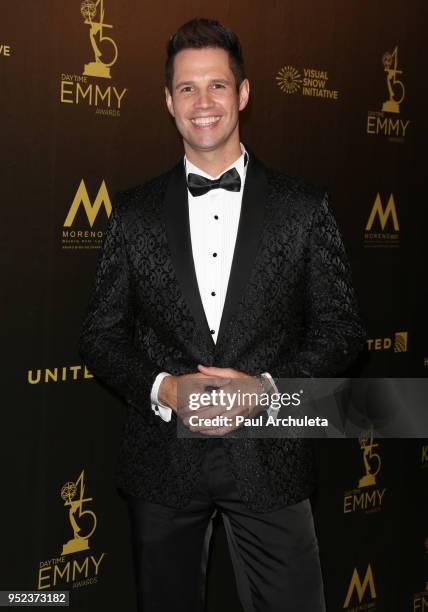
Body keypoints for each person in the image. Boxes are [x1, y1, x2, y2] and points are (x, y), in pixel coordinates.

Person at [79, 17, 365, 612]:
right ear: (167, 101)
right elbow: (101, 335)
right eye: (187, 88)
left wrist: (264, 391)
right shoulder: (131, 213)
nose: (202, 102)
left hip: (270, 454)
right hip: (163, 462)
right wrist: (167, 389)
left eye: (216, 86)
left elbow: (342, 330)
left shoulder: (303, 208)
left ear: (243, 93)